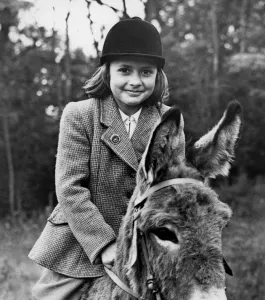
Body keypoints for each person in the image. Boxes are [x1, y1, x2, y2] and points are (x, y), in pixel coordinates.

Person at [28, 17, 185, 300]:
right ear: (107, 72)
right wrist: (104, 244)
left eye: (146, 72)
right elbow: (70, 190)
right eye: (125, 70)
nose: (135, 81)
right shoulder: (79, 114)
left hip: (144, 244)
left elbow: (171, 188)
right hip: (81, 244)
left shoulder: (168, 118)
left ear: (157, 77)